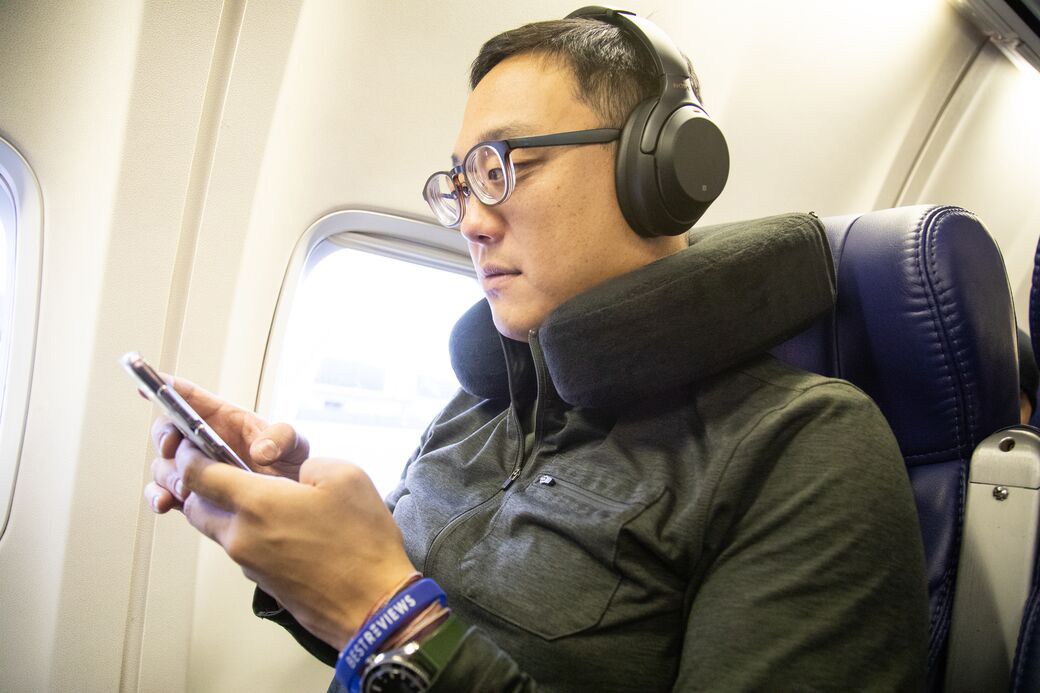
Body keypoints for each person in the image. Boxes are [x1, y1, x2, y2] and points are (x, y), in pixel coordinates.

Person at [145, 10, 930, 692]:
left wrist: (387, 619)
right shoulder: (479, 406)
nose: (471, 221)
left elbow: (392, 622)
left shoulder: (803, 449)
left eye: (502, 167)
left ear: (656, 170)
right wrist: (301, 547)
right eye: (461, 182)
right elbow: (380, 622)